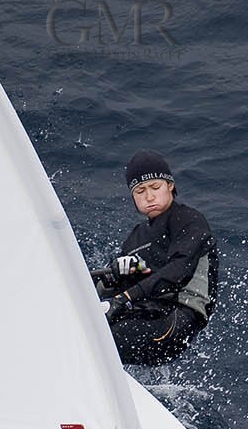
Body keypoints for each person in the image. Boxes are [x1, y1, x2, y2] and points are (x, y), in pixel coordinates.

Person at [92, 151, 219, 365]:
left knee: (98, 342)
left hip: (178, 318)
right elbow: (117, 288)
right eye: (140, 191)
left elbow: (179, 269)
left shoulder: (188, 219)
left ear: (170, 185)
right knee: (87, 329)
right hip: (146, 312)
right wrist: (117, 277)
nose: (149, 197)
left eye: (155, 187)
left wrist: (126, 296)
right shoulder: (135, 237)